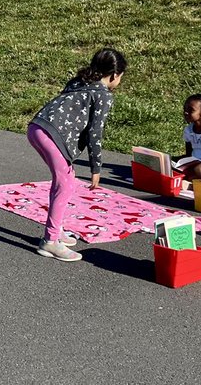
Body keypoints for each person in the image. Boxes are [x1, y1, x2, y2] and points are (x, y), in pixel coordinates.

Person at [27, 48, 126, 262]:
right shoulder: (103, 95)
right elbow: (94, 132)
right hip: (53, 135)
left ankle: (56, 229)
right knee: (65, 184)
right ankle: (51, 241)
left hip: (37, 127)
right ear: (115, 75)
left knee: (65, 180)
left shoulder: (78, 81)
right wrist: (96, 168)